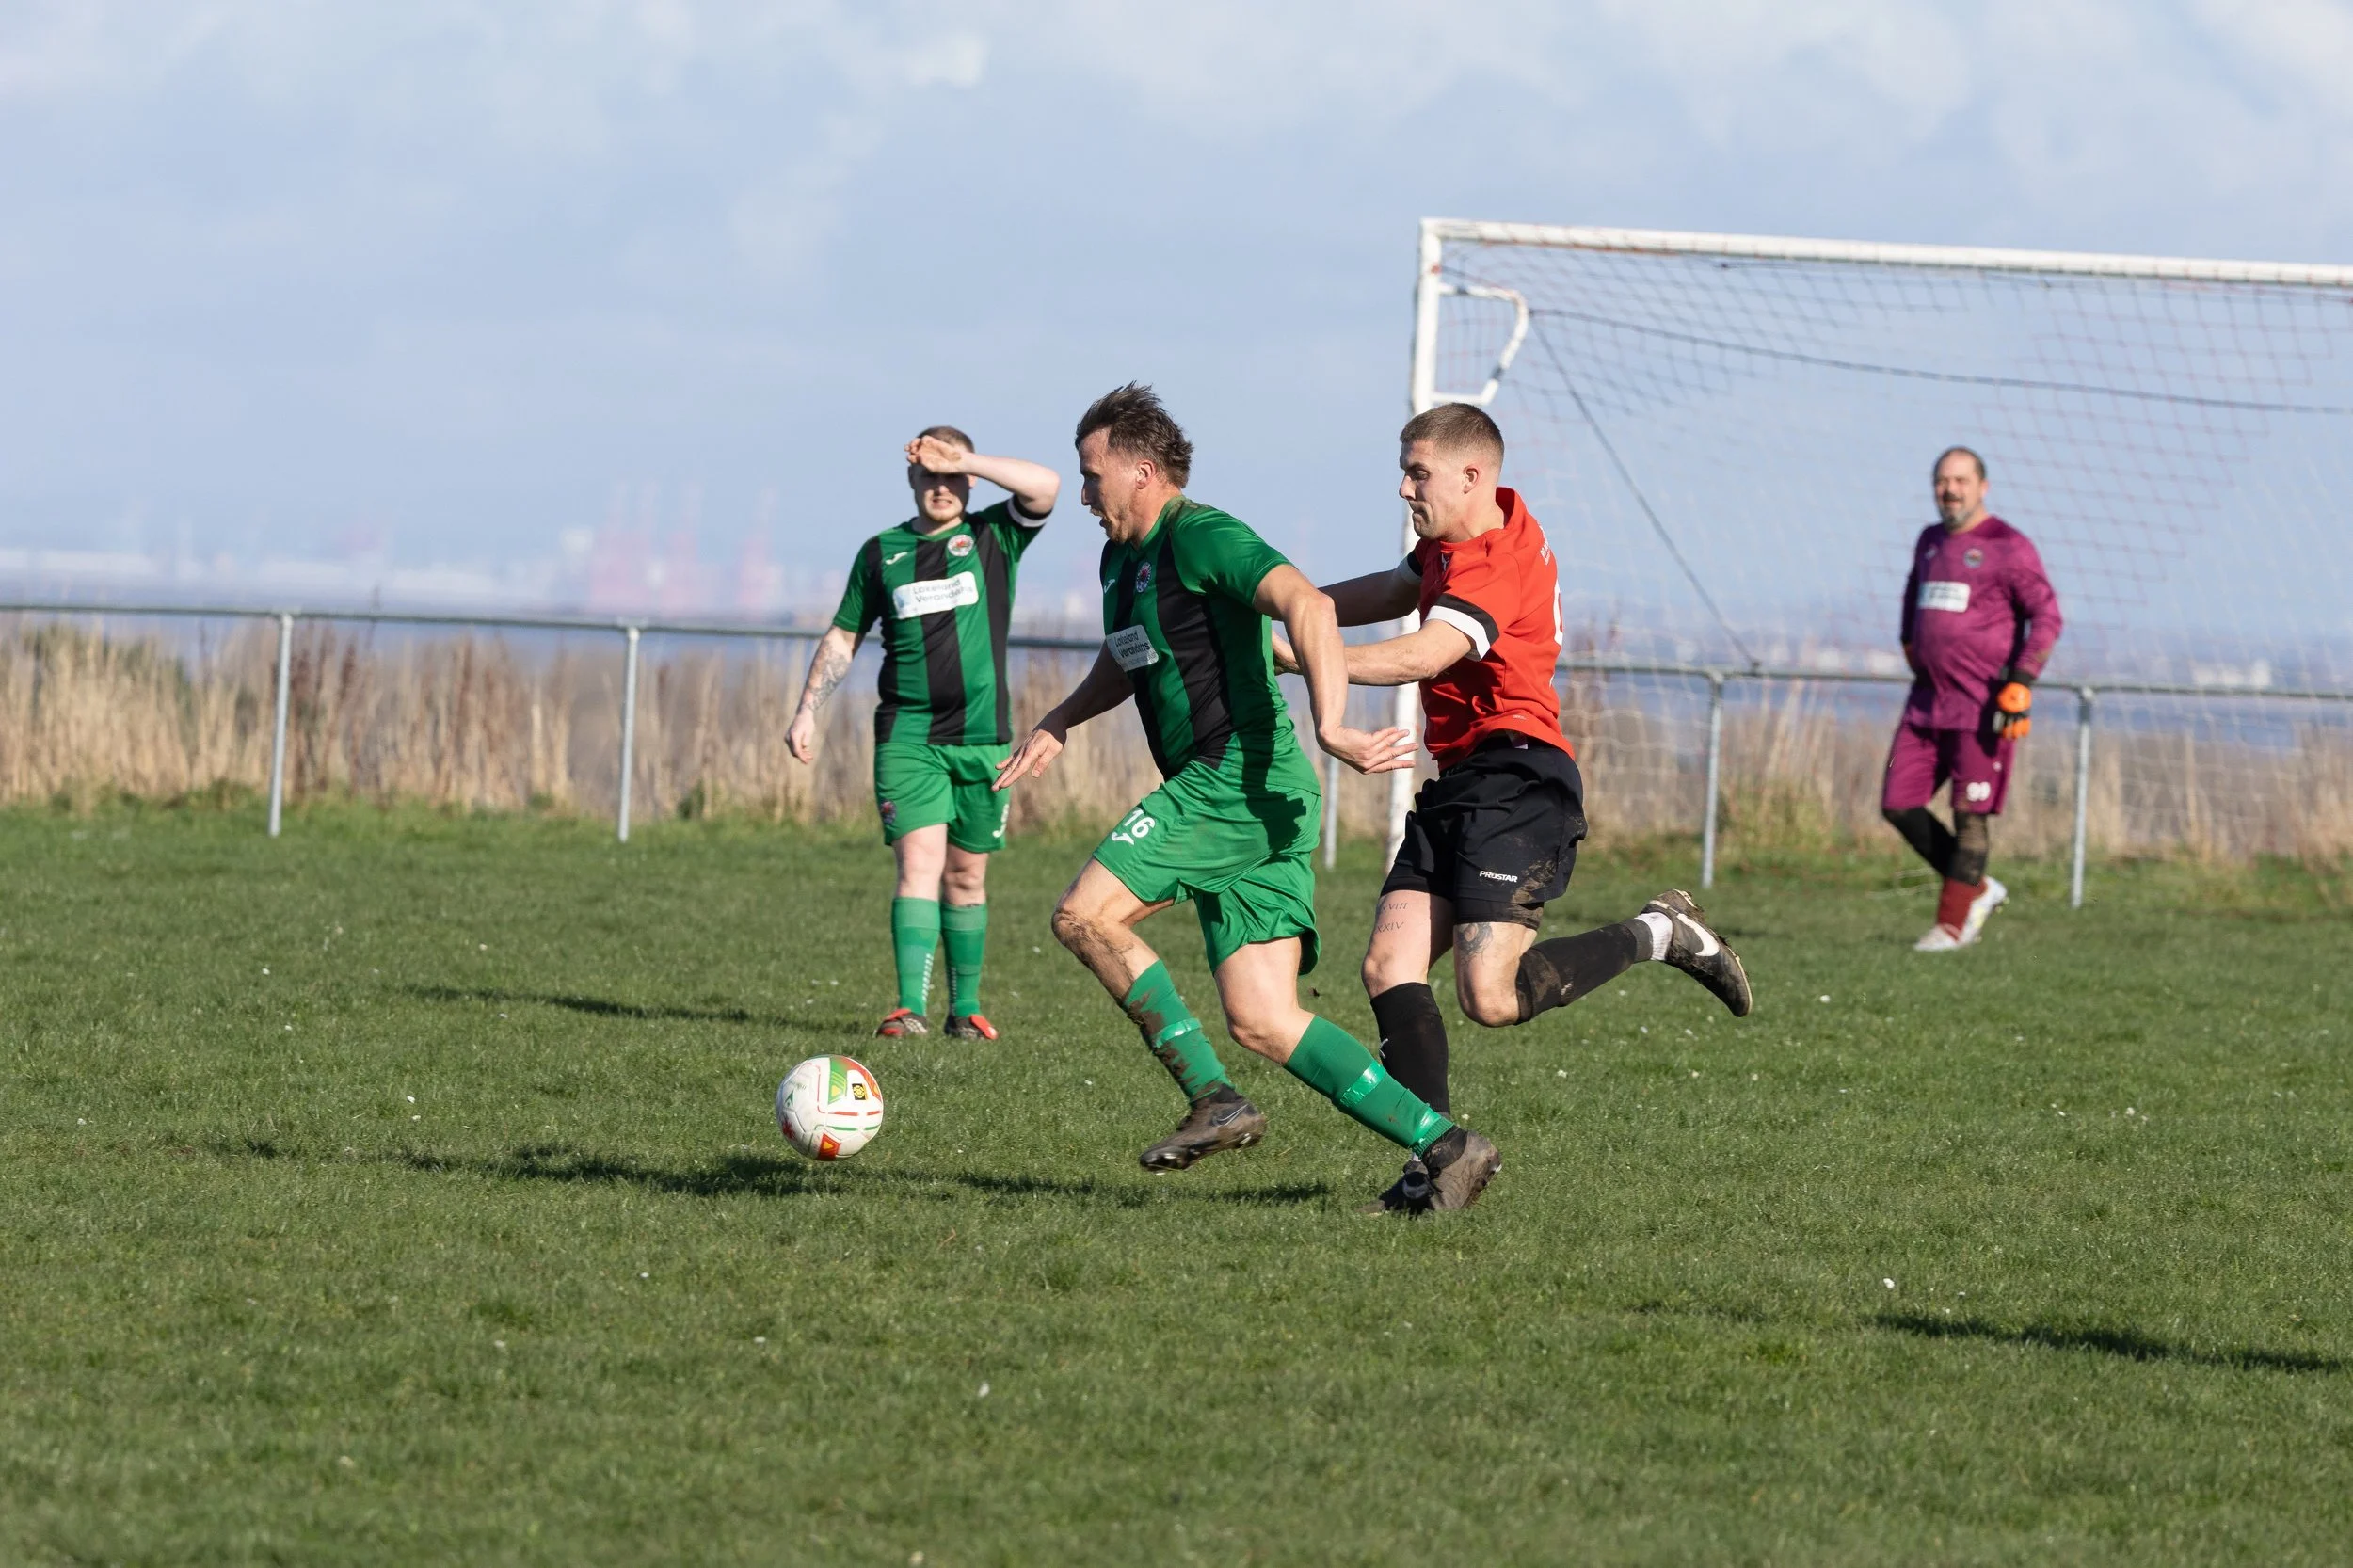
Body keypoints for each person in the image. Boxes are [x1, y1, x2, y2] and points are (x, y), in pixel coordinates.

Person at [994, 384, 1503, 1212]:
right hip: (1250, 793)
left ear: (1143, 473)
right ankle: (1448, 1147)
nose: (1083, 495)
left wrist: (1332, 722)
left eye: (1092, 476)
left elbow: (1304, 601)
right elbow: (1128, 656)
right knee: (1264, 1018)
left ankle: (1216, 1101)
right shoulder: (1121, 557)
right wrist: (1061, 718)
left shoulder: (1204, 536)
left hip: (1237, 774)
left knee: (1084, 915)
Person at [1281, 403, 1752, 1214]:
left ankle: (1661, 932)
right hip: (1462, 779)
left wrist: (1293, 652)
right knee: (1387, 969)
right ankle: (1433, 1166)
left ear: (1472, 475)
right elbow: (1389, 590)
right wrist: (1284, 603)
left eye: (1417, 471)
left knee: (1489, 999)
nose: (1403, 486)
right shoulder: (1446, 545)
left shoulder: (1498, 557)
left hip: (1519, 780)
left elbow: (1425, 653)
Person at [787, 427, 1061, 1038]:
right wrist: (808, 710)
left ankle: (965, 1011)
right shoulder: (880, 552)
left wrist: (966, 459)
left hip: (985, 742)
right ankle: (909, 1008)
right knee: (918, 865)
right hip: (908, 739)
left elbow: (1048, 487)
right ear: (911, 480)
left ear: (969, 480)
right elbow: (842, 637)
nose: (940, 487)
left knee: (967, 875)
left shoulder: (995, 535)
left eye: (951, 476)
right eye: (929, 475)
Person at [1883, 445, 2063, 951]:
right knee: (1898, 804)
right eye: (1943, 480)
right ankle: (1978, 890)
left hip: (1982, 709)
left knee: (1970, 815)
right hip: (1925, 705)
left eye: (1961, 480)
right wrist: (1909, 644)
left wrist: (2021, 681)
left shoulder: (2009, 545)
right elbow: (1911, 597)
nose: (1950, 489)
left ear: (1983, 487)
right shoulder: (1929, 541)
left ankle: (1953, 923)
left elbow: (2047, 617)